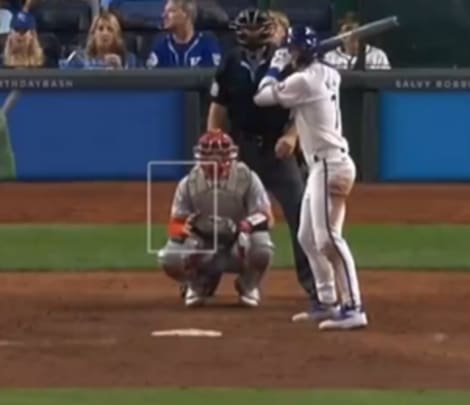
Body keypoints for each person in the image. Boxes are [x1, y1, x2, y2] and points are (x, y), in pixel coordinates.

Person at [253, 25, 367, 330]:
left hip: (330, 166)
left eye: (292, 49)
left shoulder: (305, 81)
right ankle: (327, 301)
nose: (288, 53)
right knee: (307, 236)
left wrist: (275, 67)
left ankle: (354, 307)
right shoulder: (328, 73)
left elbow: (262, 97)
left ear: (302, 53)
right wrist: (300, 54)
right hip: (323, 166)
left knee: (328, 238)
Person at [207, 8, 318, 308]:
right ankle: (206, 282)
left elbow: (302, 108)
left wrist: (292, 137)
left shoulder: (285, 61)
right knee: (221, 216)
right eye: (249, 30)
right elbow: (218, 107)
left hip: (277, 150)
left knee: (301, 214)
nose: (255, 36)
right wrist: (215, 141)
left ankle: (315, 285)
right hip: (240, 150)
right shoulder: (230, 61)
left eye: (260, 29)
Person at [157, 129, 275, 308]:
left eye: (220, 154)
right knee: (170, 256)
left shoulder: (247, 178)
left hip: (238, 244)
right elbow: (174, 225)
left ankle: (248, 284)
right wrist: (184, 228)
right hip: (203, 246)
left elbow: (268, 218)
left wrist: (247, 225)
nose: (215, 159)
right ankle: (197, 284)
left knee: (262, 245)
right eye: (209, 154)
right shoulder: (189, 183)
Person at [146, 0, 221, 68]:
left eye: (171, 11)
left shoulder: (207, 43)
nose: (164, 15)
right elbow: (150, 77)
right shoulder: (161, 45)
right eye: (165, 11)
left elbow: (212, 77)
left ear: (186, 14)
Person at [61, 11, 137, 69]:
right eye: (100, 29)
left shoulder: (129, 60)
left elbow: (137, 85)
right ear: (93, 34)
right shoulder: (78, 58)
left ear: (117, 36)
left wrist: (120, 70)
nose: (105, 33)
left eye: (110, 29)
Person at [323, 12, 390, 70]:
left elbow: (386, 82)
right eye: (348, 29)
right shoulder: (329, 58)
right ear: (339, 34)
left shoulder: (378, 56)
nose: (353, 33)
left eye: (357, 29)